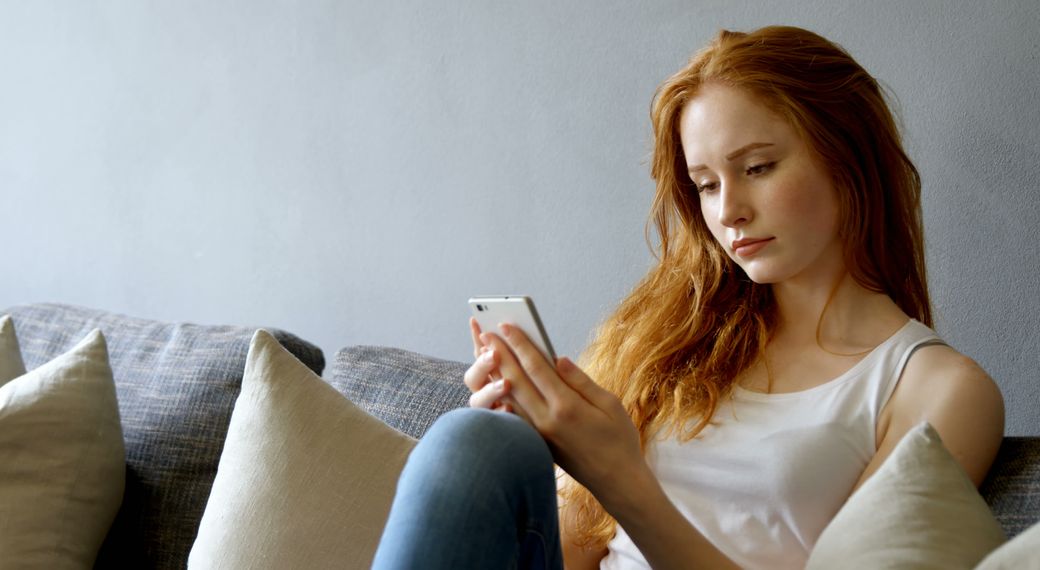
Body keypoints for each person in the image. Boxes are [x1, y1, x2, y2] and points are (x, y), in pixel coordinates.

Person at [371, 25, 1005, 570]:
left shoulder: (938, 389)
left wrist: (621, 477)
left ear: (850, 159)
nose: (728, 210)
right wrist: (541, 449)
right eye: (705, 184)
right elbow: (575, 548)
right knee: (477, 441)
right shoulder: (673, 337)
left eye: (757, 168)